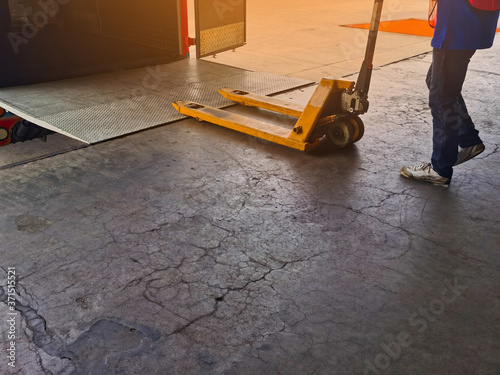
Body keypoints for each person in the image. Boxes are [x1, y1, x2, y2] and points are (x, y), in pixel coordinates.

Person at [400, 0, 500, 187]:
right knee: (438, 83)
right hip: (474, 20)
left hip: (457, 20)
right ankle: (468, 139)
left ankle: (440, 168)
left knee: (441, 96)